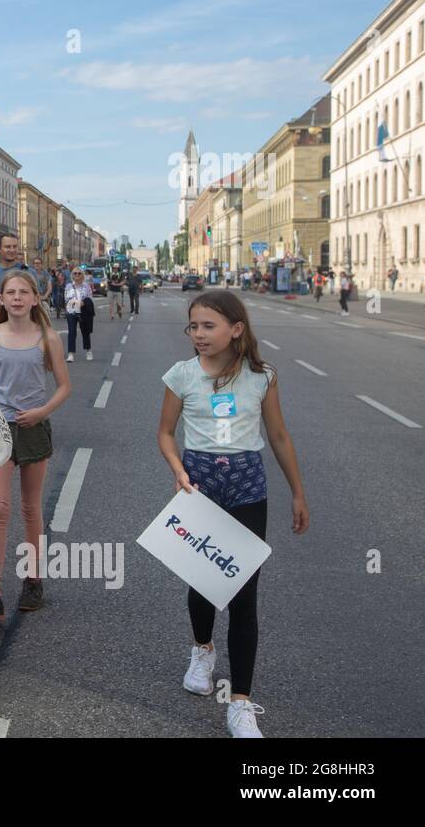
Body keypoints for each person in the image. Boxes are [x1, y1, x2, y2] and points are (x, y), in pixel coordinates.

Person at [157, 291, 310, 738]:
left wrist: (298, 494)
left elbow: (278, 437)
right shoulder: (181, 375)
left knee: (243, 594)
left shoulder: (261, 377)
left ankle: (241, 702)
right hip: (200, 483)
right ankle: (202, 649)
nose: (199, 335)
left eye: (209, 326)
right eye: (194, 327)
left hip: (247, 485)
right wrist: (179, 470)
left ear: (236, 329)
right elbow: (166, 433)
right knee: (204, 582)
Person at [0, 271, 71, 623]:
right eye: (10, 292)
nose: (16, 297)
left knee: (31, 507)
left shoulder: (48, 337)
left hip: (33, 428)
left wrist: (42, 411)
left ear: (35, 299)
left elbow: (64, 386)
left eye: (23, 292)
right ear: (0, 300)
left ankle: (33, 579)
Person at [63, 268, 95, 363]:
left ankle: (88, 351)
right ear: (72, 275)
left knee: (85, 332)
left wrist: (83, 303)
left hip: (83, 311)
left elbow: (90, 298)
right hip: (71, 311)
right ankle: (71, 353)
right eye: (75, 273)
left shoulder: (86, 286)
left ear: (82, 275)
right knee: (72, 332)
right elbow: (66, 299)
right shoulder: (69, 286)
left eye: (79, 273)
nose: (77, 275)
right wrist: (73, 303)